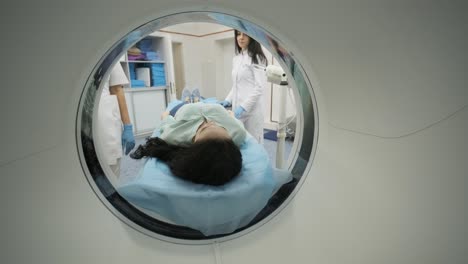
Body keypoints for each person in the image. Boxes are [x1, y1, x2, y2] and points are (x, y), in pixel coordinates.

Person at [130, 102, 246, 186]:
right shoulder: (238, 133)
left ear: (194, 143)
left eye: (203, 128)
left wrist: (165, 116)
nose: (209, 122)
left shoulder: (173, 135)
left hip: (184, 108)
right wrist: (230, 116)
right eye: (220, 127)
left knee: (183, 102)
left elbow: (166, 119)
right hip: (215, 105)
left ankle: (188, 99)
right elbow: (233, 118)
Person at [219, 30, 268, 144]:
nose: (241, 38)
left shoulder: (257, 57)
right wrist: (227, 100)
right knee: (240, 142)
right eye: (238, 34)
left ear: (252, 37)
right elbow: (236, 85)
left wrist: (243, 107)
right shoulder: (236, 59)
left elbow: (259, 88)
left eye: (245, 34)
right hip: (237, 110)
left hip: (252, 111)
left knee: (254, 143)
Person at [97, 63, 136, 177]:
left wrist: (128, 126)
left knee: (111, 172)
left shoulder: (107, 52)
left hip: (105, 123)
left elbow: (117, 89)